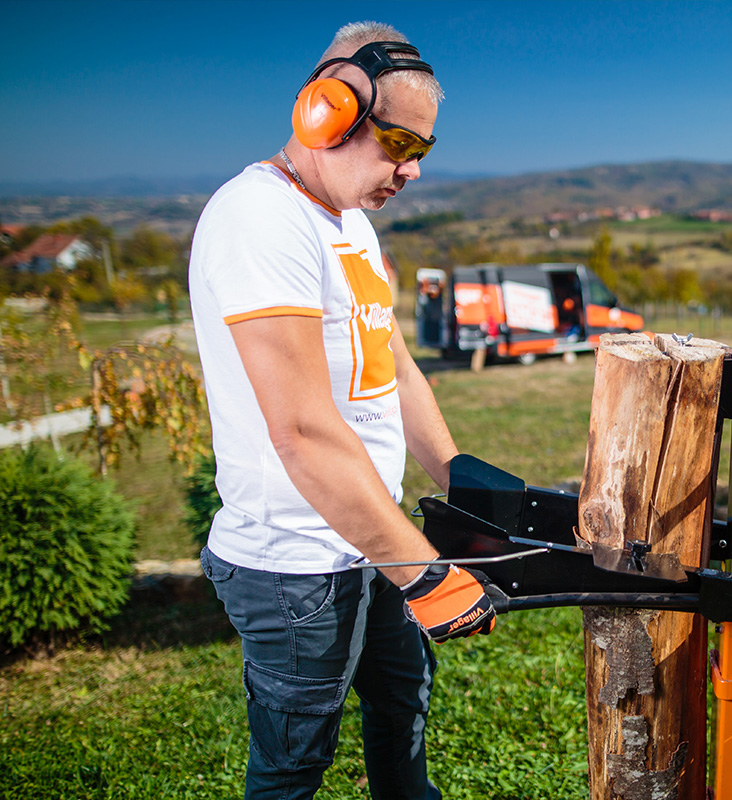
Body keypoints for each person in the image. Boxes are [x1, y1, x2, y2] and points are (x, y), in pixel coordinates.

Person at [188, 21, 496, 800]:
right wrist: (423, 572)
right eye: (399, 143)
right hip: (296, 564)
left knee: (403, 707)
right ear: (326, 111)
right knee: (294, 765)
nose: (412, 170)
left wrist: (458, 475)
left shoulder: (348, 222)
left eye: (422, 150)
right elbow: (300, 430)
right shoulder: (260, 220)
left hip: (368, 536)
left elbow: (393, 363)